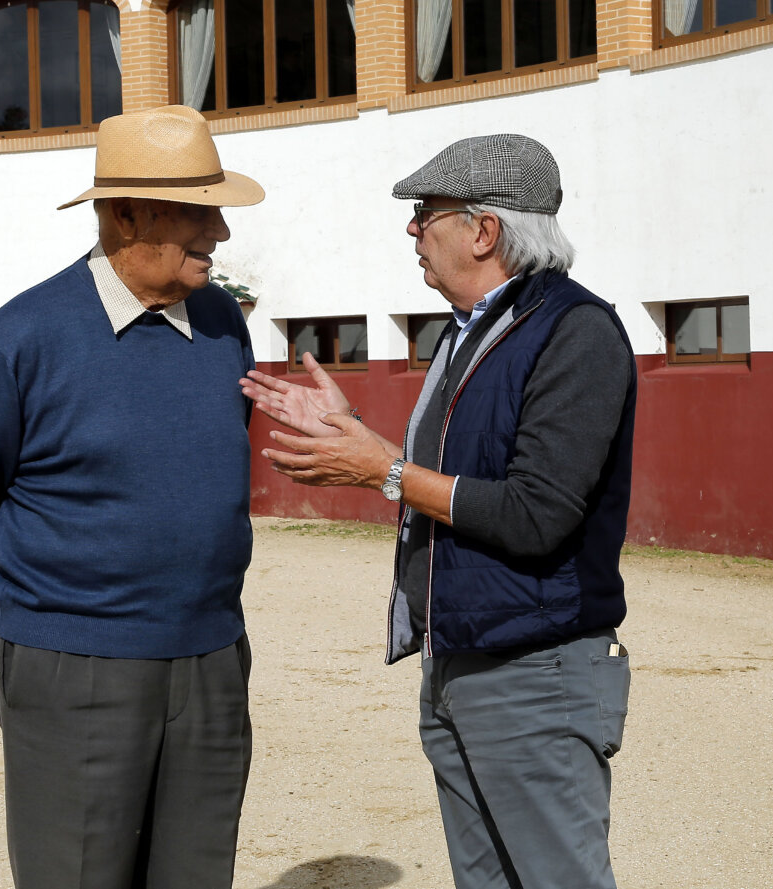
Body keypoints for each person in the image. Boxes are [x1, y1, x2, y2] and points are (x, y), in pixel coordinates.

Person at [240, 134, 636, 889]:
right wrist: (351, 428)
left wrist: (381, 469)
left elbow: (535, 514)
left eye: (427, 214)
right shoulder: (480, 328)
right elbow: (456, 472)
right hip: (465, 657)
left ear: (485, 230)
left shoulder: (574, 331)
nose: (413, 230)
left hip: (534, 669)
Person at [0, 105, 264, 889]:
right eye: (198, 211)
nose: (221, 233)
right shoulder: (20, 339)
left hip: (212, 658)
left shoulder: (220, 322)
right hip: (71, 666)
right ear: (125, 214)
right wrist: (61, 600)